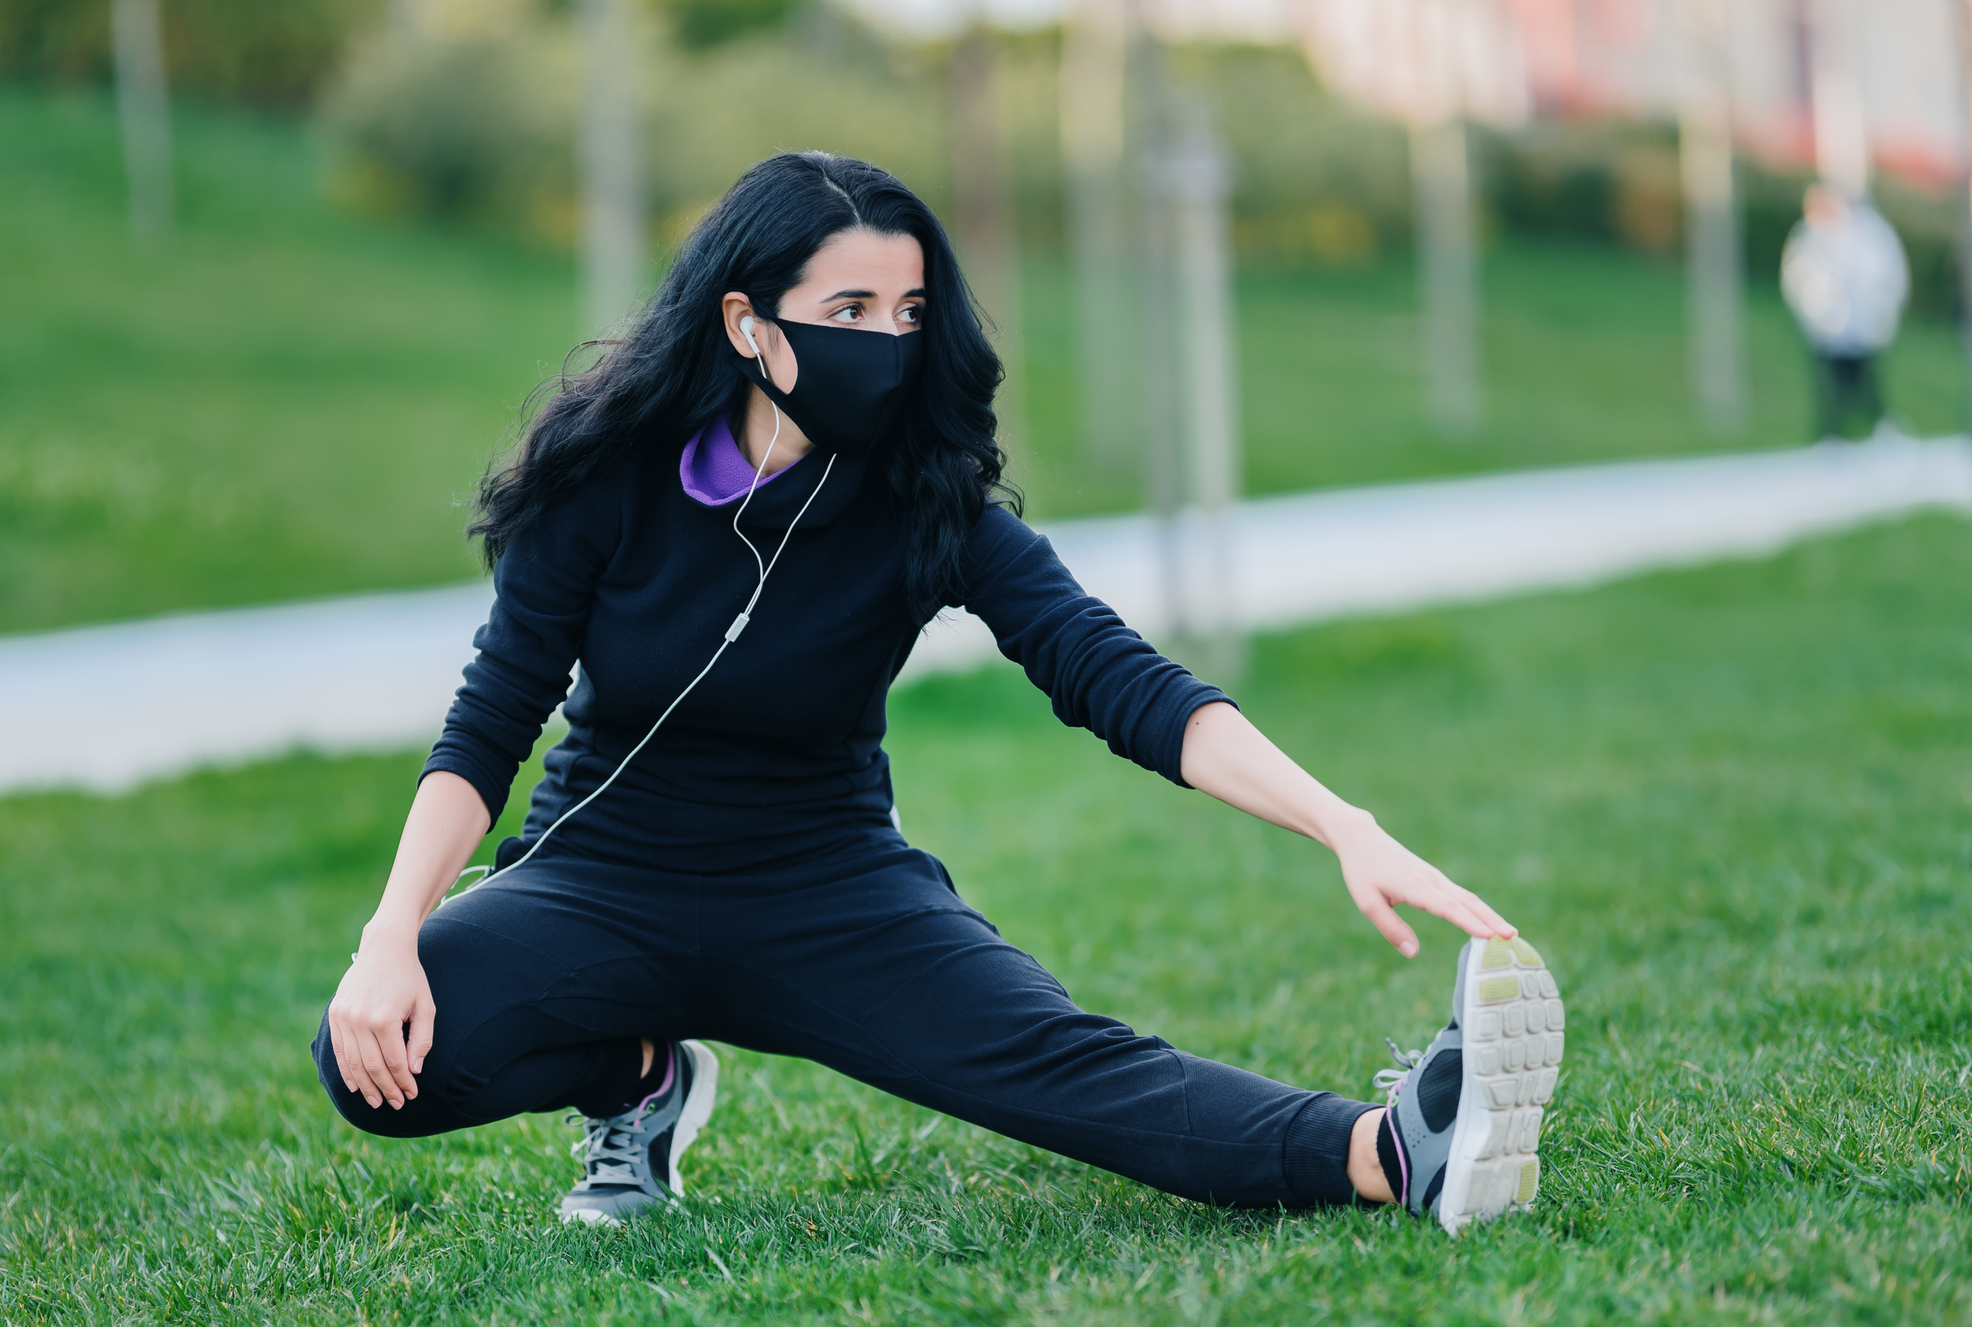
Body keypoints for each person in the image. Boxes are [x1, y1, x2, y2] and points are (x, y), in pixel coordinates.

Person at [313, 152, 1561, 1234]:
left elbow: (1111, 673)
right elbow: (491, 720)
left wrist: (1339, 821)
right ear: (749, 324)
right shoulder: (607, 475)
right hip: (602, 874)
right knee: (373, 1057)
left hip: (825, 884)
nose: (888, 341)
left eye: (910, 311)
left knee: (1060, 1065)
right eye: (848, 306)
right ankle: (637, 1075)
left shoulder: (927, 502)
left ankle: (1393, 1151)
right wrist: (389, 939)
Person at [1780, 183, 1910, 441]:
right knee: (1830, 385)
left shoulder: (1870, 233)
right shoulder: (1810, 236)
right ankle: (1832, 435)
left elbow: (1886, 275)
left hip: (1864, 327)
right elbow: (1797, 278)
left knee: (1865, 381)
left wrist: (1883, 311)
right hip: (1827, 328)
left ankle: (1880, 428)